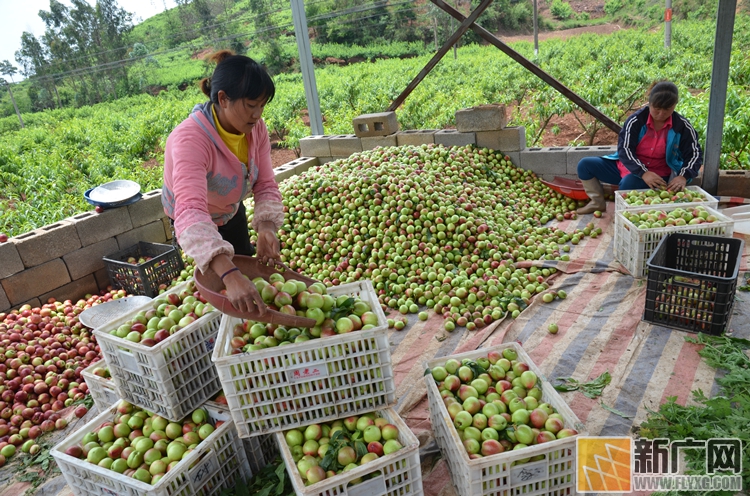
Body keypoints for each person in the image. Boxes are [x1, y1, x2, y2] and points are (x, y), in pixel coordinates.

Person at [162, 50, 283, 315]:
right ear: (223, 99)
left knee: (246, 277)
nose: (258, 114)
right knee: (220, 287)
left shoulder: (255, 129)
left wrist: (266, 227)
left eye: (262, 105)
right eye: (251, 105)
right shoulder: (191, 140)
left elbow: (265, 183)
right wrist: (228, 273)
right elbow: (190, 212)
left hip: (229, 210)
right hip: (195, 221)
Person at [576, 81, 703, 214]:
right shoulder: (636, 121)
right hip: (632, 167)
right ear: (649, 103)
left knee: (628, 185)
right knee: (585, 165)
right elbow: (625, 150)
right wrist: (643, 172)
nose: (661, 114)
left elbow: (694, 154)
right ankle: (597, 202)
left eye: (667, 110)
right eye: (657, 109)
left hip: (660, 175)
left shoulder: (682, 126)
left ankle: (627, 217)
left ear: (675, 106)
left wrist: (683, 176)